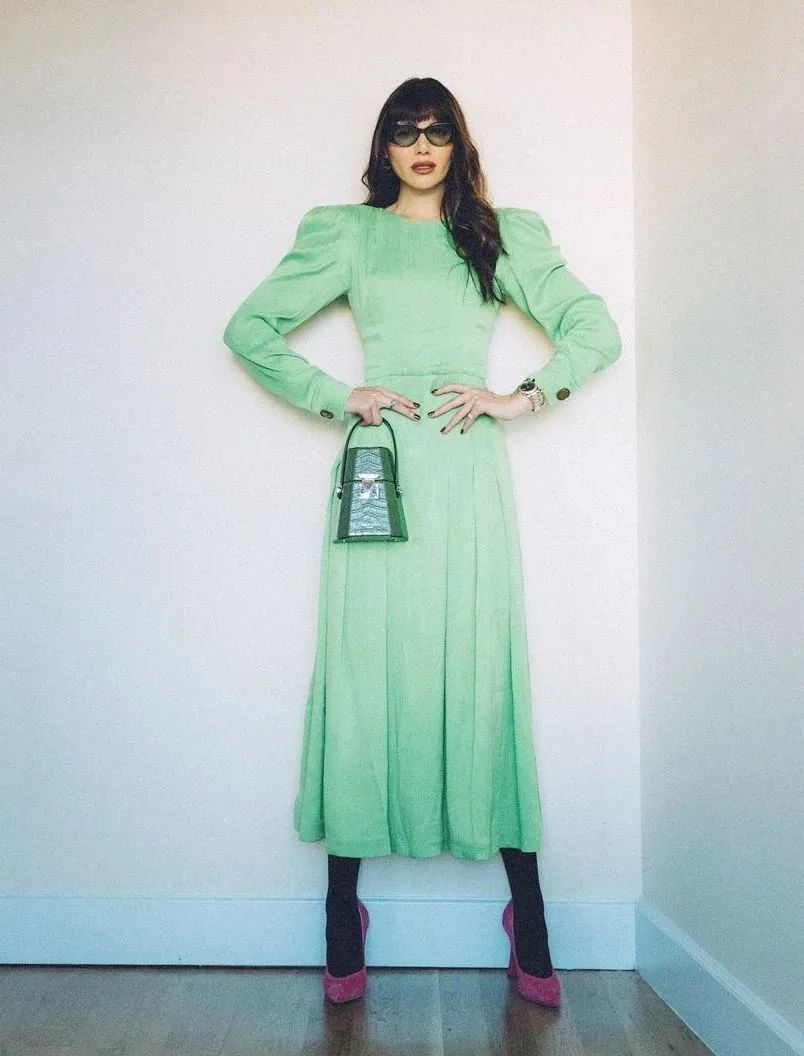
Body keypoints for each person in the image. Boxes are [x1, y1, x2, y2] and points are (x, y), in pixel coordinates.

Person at [222, 77, 622, 1006]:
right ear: (385, 147)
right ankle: (342, 912)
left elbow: (592, 329)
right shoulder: (348, 234)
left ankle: (528, 914)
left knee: (482, 665)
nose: (423, 146)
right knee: (364, 665)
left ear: (458, 142)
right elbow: (249, 329)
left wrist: (521, 398)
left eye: (438, 130)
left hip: (468, 471)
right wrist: (338, 395)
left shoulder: (498, 233)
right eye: (406, 132)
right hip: (380, 468)